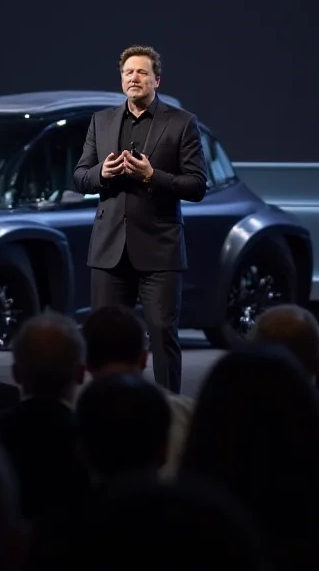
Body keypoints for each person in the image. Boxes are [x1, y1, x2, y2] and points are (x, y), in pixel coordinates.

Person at [73, 45, 207, 393]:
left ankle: (168, 409)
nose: (134, 77)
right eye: (128, 72)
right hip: (108, 248)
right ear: (121, 80)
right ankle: (103, 405)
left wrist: (152, 175)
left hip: (159, 249)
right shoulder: (100, 122)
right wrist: (101, 172)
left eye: (142, 72)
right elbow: (79, 177)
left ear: (157, 80)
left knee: (163, 335)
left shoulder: (181, 123)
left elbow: (196, 185)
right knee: (103, 337)